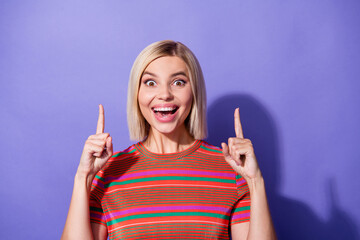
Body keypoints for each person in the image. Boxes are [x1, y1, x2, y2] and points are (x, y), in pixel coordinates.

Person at [61, 40, 276, 240]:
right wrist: (83, 178)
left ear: (194, 92)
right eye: (151, 82)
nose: (164, 94)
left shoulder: (231, 169)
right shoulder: (109, 171)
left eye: (178, 82)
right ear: (137, 93)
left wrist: (255, 182)